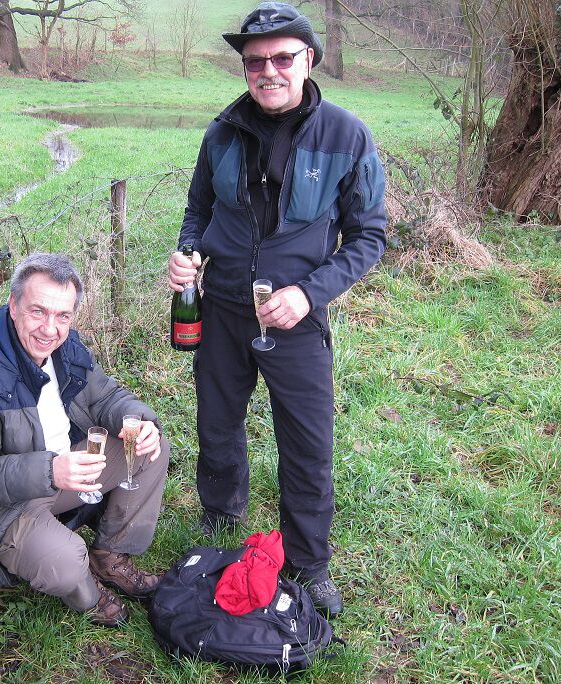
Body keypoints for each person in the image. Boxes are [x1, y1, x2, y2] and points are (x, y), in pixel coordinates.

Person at [168, 2, 387, 618]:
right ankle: (220, 517)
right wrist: (187, 254)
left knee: (308, 442)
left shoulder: (346, 136)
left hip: (295, 317)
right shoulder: (221, 133)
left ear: (308, 59)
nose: (268, 70)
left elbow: (368, 236)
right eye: (254, 61)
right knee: (217, 422)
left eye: (282, 58)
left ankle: (309, 561)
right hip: (222, 308)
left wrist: (309, 293)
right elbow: (199, 210)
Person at [0, 253, 169, 627]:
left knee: (149, 449)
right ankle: (88, 595)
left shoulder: (65, 350)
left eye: (62, 316)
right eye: (38, 311)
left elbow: (105, 396)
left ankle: (110, 556)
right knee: (65, 561)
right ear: (13, 305)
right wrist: (51, 470)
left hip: (56, 476)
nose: (50, 329)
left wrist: (138, 421)